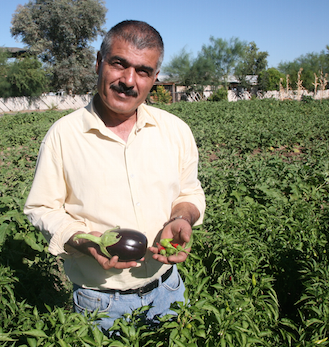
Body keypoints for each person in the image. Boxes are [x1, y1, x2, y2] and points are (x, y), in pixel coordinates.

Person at [24, 20, 205, 333]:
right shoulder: (63, 136)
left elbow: (189, 193)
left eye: (143, 71)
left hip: (169, 291)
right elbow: (42, 209)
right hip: (101, 305)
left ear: (155, 78)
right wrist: (86, 243)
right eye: (119, 64)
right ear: (99, 63)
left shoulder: (176, 131)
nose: (128, 81)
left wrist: (183, 218)